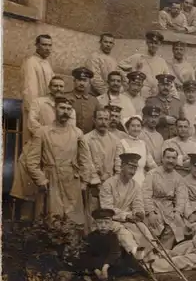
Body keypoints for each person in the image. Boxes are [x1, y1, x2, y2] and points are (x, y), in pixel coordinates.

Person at [25, 97, 95, 225]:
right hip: (51, 180)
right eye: (62, 108)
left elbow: (85, 160)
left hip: (71, 181)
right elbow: (31, 161)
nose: (66, 112)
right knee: (52, 219)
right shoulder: (43, 132)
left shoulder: (77, 133)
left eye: (69, 109)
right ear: (54, 109)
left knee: (73, 220)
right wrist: (41, 180)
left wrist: (84, 181)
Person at [99, 153, 155, 258]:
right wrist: (126, 215)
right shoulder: (109, 184)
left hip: (129, 220)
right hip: (110, 220)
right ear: (122, 166)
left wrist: (139, 213)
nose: (132, 172)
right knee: (124, 233)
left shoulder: (135, 186)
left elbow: (138, 203)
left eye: (135, 168)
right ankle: (137, 257)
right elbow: (107, 208)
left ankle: (150, 257)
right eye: (130, 167)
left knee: (143, 229)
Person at [84, 106, 124, 225]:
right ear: (94, 120)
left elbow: (118, 162)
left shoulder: (115, 140)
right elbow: (87, 162)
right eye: (100, 119)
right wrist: (97, 182)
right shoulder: (87, 139)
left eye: (106, 119)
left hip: (110, 183)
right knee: (93, 215)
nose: (103, 122)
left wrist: (115, 181)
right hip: (93, 185)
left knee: (109, 215)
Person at [143, 147, 189, 250]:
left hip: (169, 208)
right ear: (162, 159)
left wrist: (177, 213)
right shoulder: (152, 174)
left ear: (176, 160)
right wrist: (150, 212)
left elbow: (181, 198)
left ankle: (162, 253)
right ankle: (149, 252)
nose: (170, 161)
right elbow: (145, 194)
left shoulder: (178, 178)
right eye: (168, 157)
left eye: (173, 158)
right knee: (154, 225)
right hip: (154, 205)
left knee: (176, 227)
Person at [119, 31, 178, 99]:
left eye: (156, 43)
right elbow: (119, 68)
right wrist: (127, 82)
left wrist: (175, 96)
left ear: (159, 44)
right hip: (139, 95)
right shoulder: (137, 57)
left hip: (155, 96)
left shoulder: (162, 62)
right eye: (151, 42)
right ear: (147, 43)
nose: (153, 45)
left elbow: (169, 81)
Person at [72, 208, 123, 281]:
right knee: (83, 261)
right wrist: (96, 270)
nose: (103, 226)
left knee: (119, 261)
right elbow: (87, 255)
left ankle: (108, 275)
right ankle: (94, 275)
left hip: (108, 263)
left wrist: (105, 267)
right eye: (100, 223)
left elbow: (114, 252)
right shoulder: (91, 237)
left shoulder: (113, 236)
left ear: (111, 224)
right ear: (95, 223)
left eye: (106, 223)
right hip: (95, 264)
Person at [21, 34, 55, 145]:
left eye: (50, 45)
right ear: (37, 45)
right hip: (36, 111)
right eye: (44, 45)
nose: (47, 48)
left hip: (46, 108)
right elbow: (30, 90)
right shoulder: (31, 62)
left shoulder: (47, 63)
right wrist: (35, 114)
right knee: (33, 144)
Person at [120, 116, 157, 185]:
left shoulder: (143, 144)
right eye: (133, 126)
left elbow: (151, 165)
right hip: (126, 181)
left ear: (141, 128)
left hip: (142, 181)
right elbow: (119, 166)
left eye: (138, 126)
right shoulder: (122, 143)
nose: (136, 129)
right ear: (128, 128)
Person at [145, 74, 183, 139]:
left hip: (175, 138)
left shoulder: (177, 102)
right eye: (162, 85)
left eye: (167, 85)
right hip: (157, 137)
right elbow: (146, 121)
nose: (165, 87)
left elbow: (182, 121)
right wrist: (164, 120)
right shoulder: (151, 101)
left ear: (171, 86)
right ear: (158, 86)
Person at [67, 67, 99, 134]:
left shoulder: (94, 100)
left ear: (89, 83)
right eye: (79, 80)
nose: (82, 83)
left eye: (85, 80)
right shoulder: (66, 97)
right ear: (74, 80)